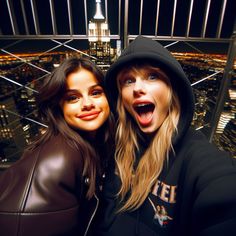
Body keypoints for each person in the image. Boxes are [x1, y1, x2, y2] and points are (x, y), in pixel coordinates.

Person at [95, 36, 236, 236]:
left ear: (173, 90)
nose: (138, 88)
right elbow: (105, 212)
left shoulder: (196, 156)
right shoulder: (119, 146)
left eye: (152, 76)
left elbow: (223, 199)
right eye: (128, 80)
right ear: (121, 99)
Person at [0, 57, 114, 236]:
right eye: (73, 98)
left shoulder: (90, 143)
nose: (88, 104)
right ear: (58, 107)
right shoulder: (57, 163)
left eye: (95, 92)